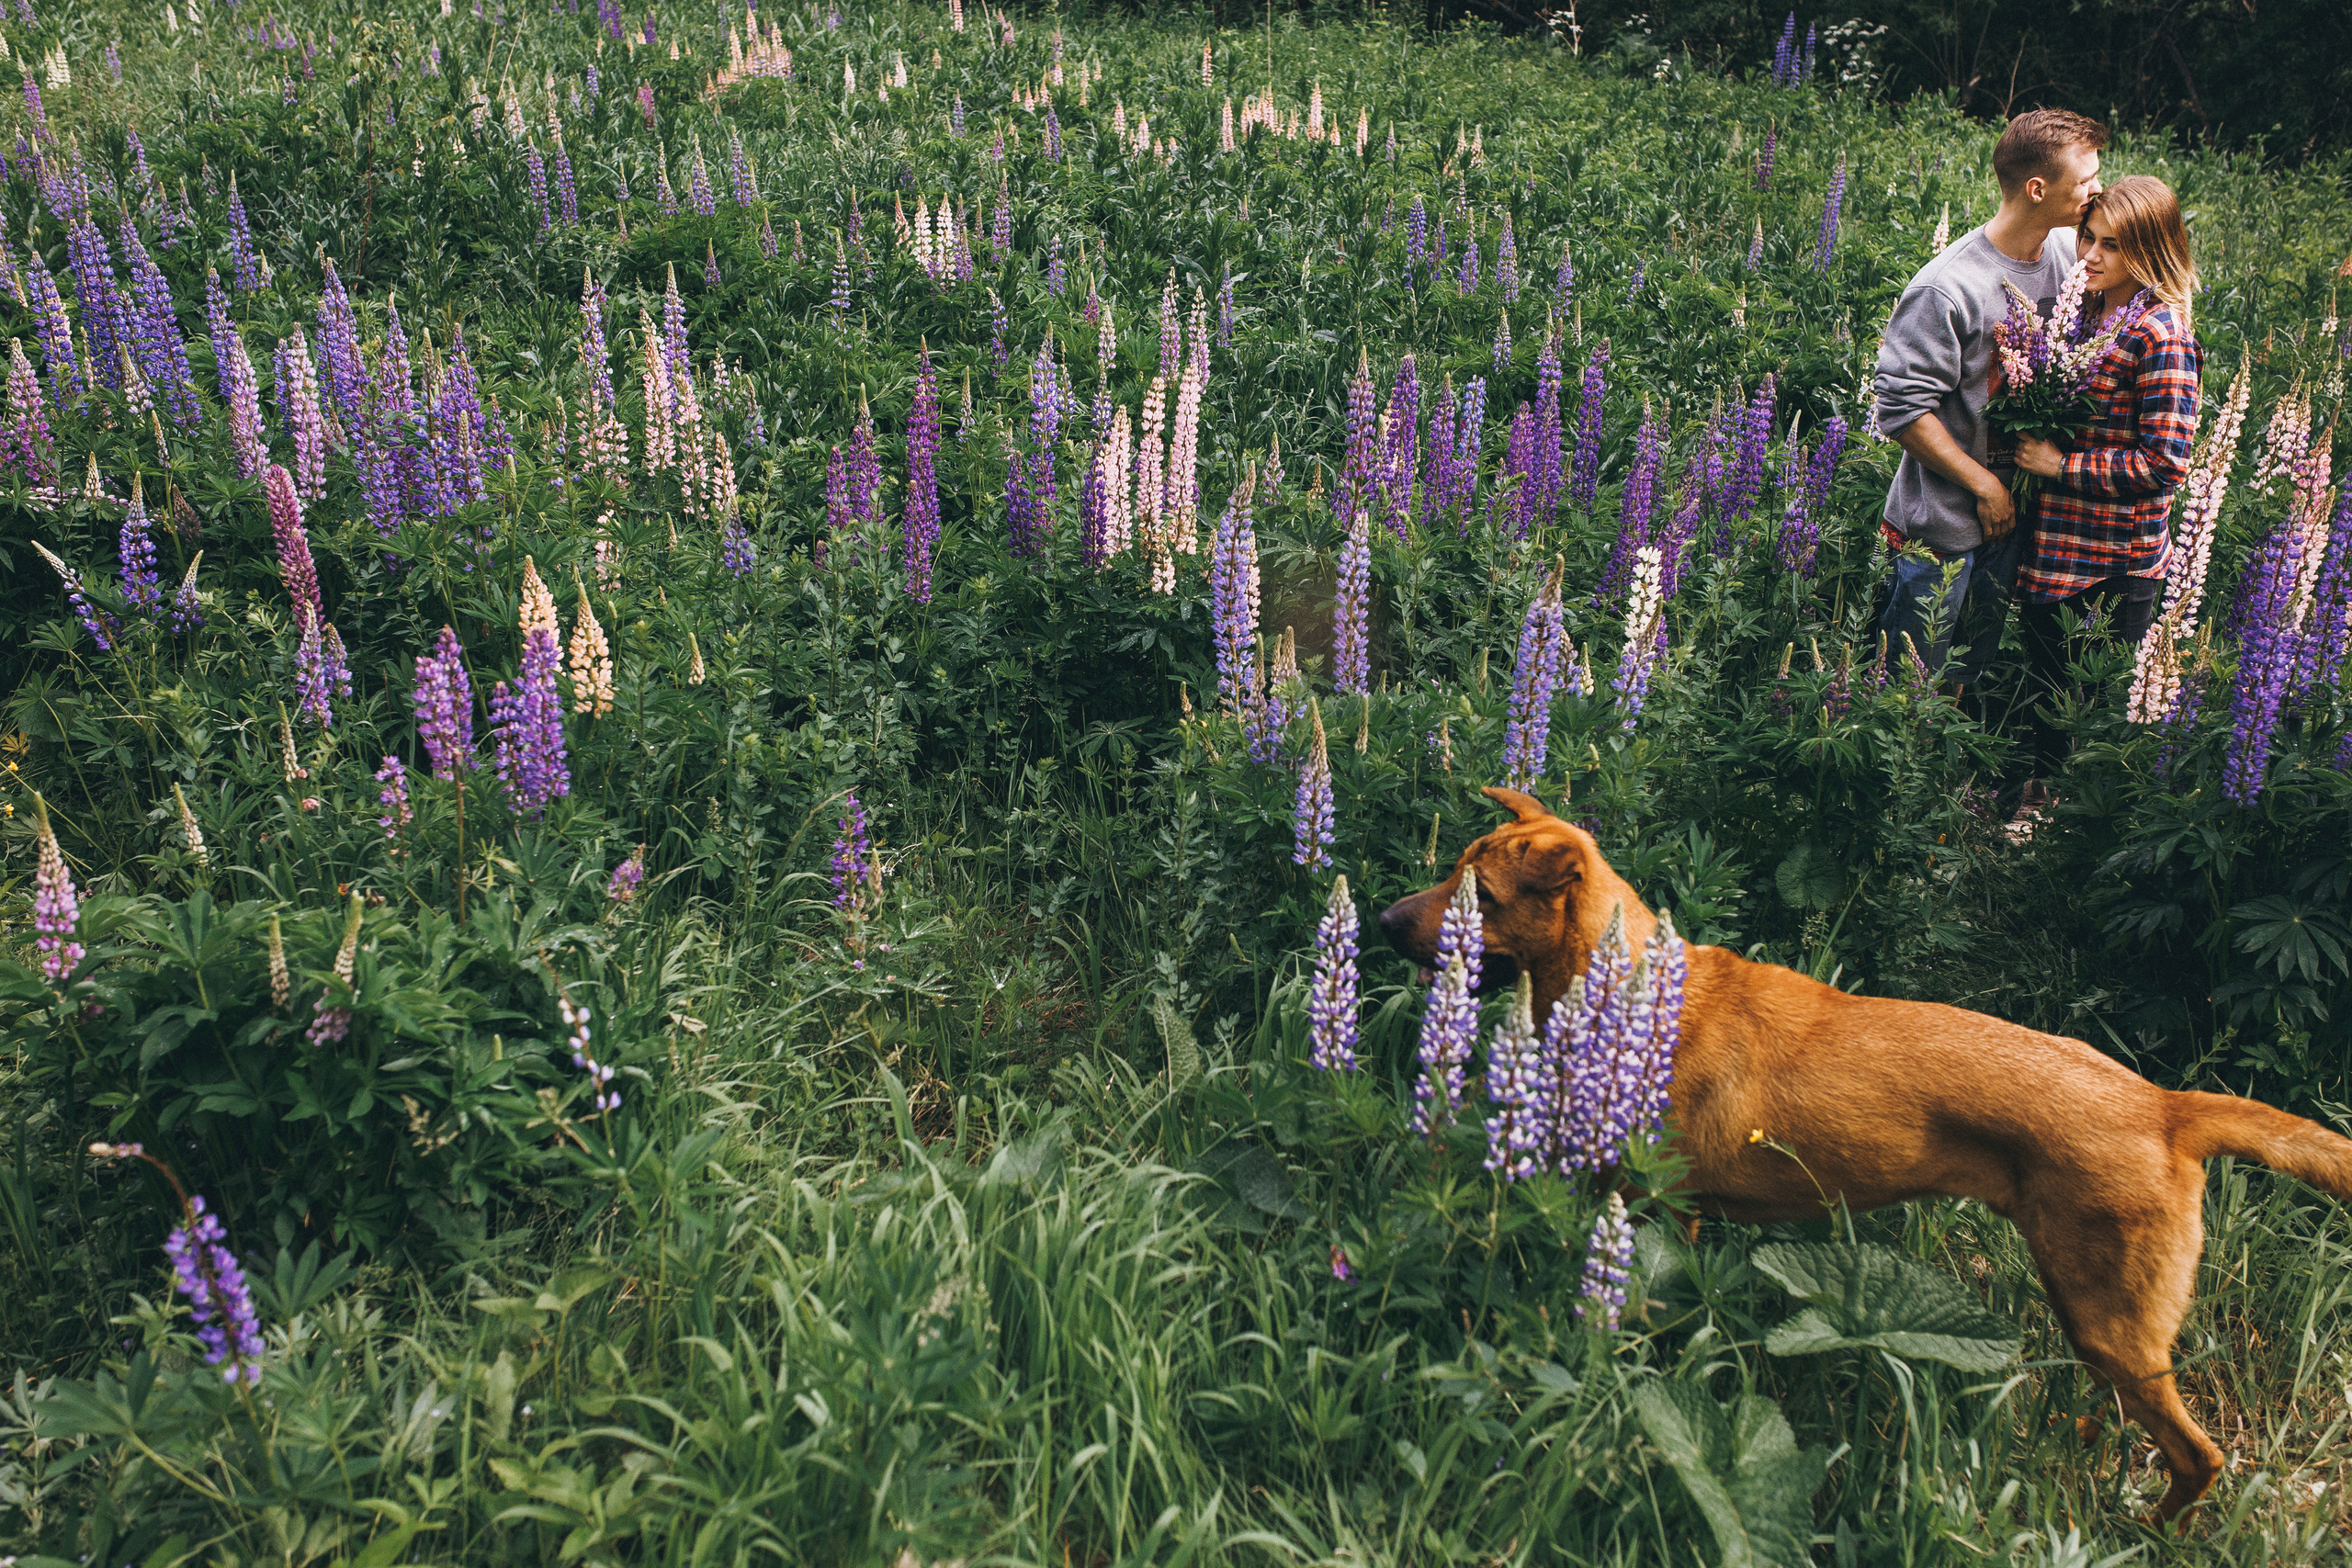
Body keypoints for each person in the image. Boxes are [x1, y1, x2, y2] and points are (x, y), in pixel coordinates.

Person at [1872, 108, 2107, 695]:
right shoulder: (1947, 287)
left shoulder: (2069, 253)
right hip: (1941, 528)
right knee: (1907, 686)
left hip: (2014, 521)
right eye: (2085, 181)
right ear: (2037, 189)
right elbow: (1901, 411)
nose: (2097, 190)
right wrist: (1986, 487)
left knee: (1965, 676)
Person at [2008, 176, 2203, 817]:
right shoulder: (2088, 311)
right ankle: (2039, 805)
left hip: (2111, 561)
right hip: (2054, 545)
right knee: (2048, 693)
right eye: (2088, 237)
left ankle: (2066, 826)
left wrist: (2061, 464)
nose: (2090, 255)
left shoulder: (2162, 333)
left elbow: (2166, 462)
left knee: (2090, 710)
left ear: (2149, 251)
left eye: (2112, 245)